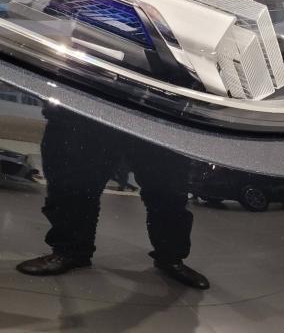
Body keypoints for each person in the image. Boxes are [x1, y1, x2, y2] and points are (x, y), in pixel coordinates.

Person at [16, 103, 209, 289]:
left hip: (158, 109)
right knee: (72, 181)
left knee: (169, 188)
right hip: (91, 103)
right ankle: (70, 250)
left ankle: (171, 257)